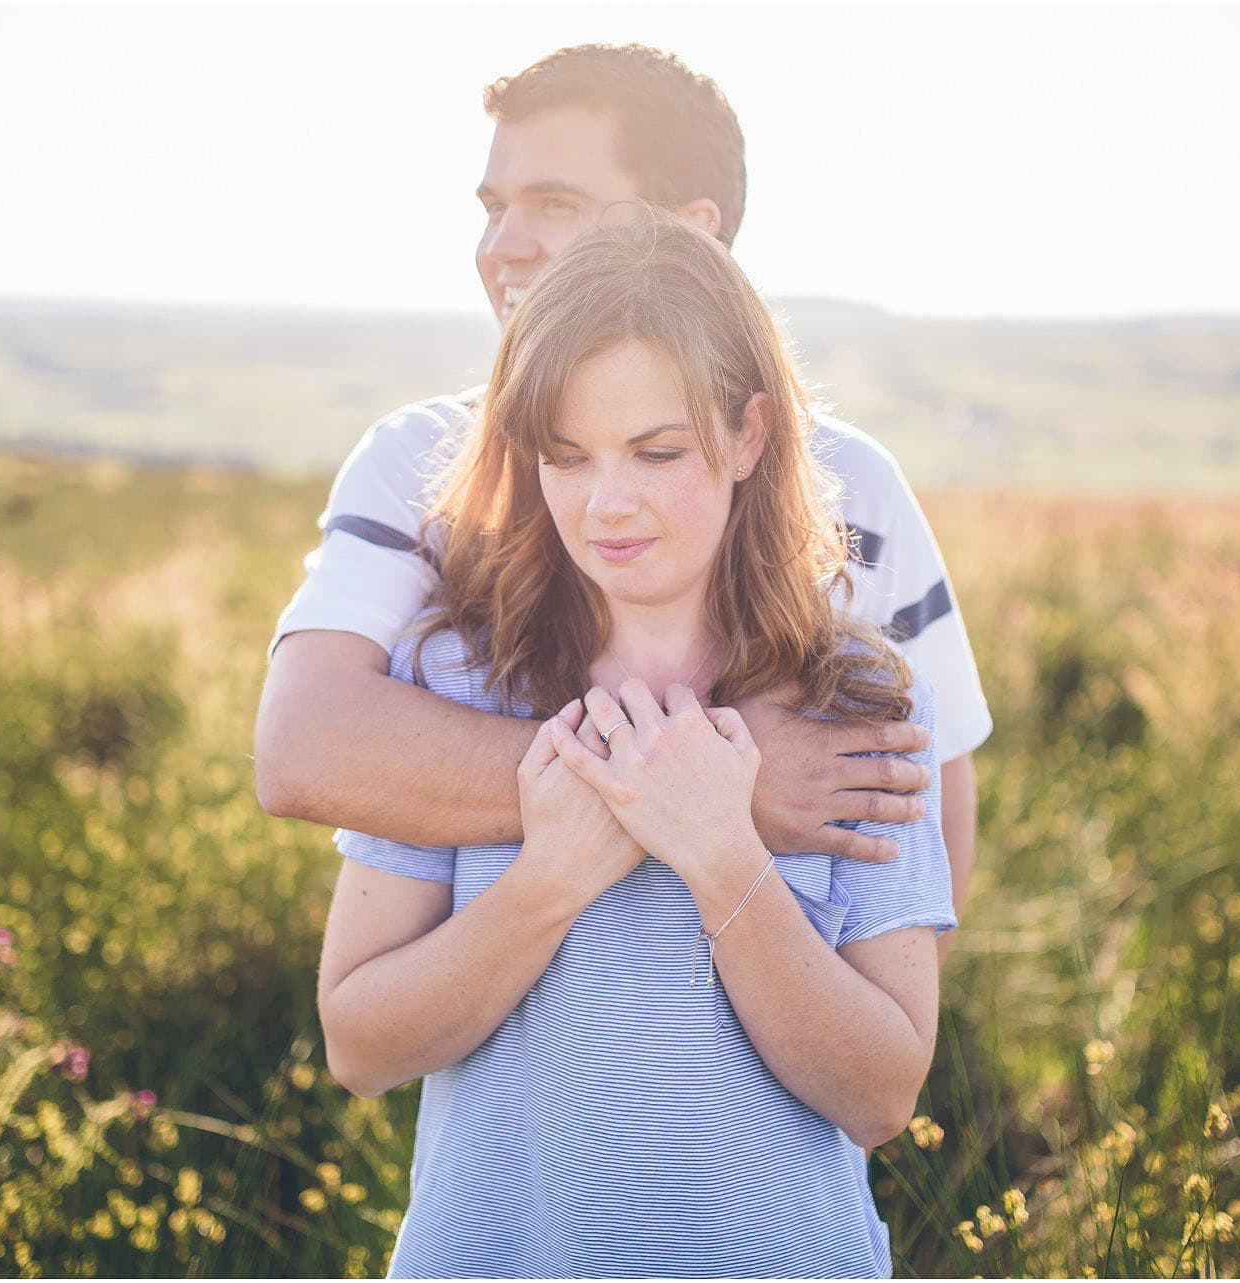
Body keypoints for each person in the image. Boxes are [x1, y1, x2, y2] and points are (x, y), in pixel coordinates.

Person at [317, 210, 953, 1277]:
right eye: (567, 457)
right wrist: (551, 876)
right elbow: (359, 1044)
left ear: (751, 433)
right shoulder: (457, 679)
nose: (606, 504)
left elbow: (883, 1092)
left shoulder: (863, 701)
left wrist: (720, 852)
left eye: (656, 451)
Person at [255, 44, 990, 928]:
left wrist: (859, 1048)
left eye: (555, 204)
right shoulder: (416, 463)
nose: (501, 246)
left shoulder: (853, 486)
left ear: (691, 231)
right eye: (494, 207)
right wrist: (710, 785)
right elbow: (305, 747)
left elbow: (927, 799)